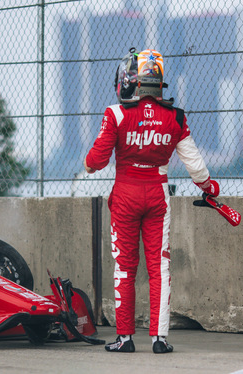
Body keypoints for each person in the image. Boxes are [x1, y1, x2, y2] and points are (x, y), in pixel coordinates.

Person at [83, 48, 219, 354]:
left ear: (133, 81)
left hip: (125, 196)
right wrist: (211, 187)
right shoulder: (176, 117)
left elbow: (95, 160)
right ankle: (160, 339)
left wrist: (89, 164)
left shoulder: (116, 114)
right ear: (158, 83)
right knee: (160, 269)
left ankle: (125, 339)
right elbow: (196, 168)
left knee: (124, 268)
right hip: (158, 195)